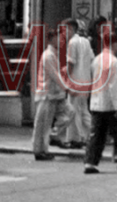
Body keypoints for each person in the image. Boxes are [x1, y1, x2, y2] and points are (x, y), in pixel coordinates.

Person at [84, 19, 117, 173]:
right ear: (115, 44)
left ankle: (90, 162)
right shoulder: (113, 62)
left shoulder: (97, 60)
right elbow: (113, 86)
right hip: (110, 105)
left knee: (96, 134)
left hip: (96, 103)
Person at [30, 25, 65, 161]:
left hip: (49, 94)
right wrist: (66, 87)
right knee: (42, 124)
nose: (61, 40)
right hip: (46, 94)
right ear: (52, 39)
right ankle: (40, 150)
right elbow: (55, 75)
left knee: (44, 124)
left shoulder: (52, 54)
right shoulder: (49, 55)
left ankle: (42, 149)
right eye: (59, 38)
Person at [57, 18, 94, 148]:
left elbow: (71, 63)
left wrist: (65, 78)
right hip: (86, 82)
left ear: (71, 29)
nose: (63, 34)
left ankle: (77, 139)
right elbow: (92, 60)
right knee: (84, 111)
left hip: (75, 81)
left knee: (74, 111)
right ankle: (92, 135)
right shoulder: (86, 42)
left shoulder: (72, 42)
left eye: (64, 30)